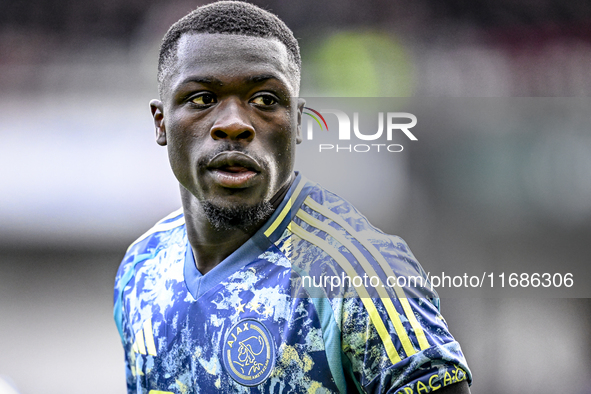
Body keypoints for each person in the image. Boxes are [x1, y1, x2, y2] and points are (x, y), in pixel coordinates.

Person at [113, 2, 472, 393]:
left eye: (265, 99)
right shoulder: (141, 267)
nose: (234, 123)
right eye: (202, 98)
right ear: (162, 122)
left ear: (297, 122)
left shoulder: (357, 276)